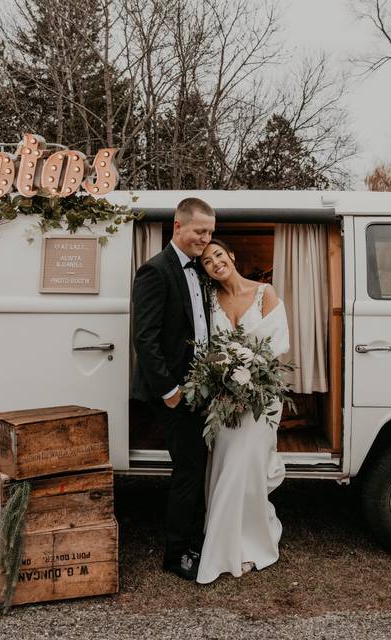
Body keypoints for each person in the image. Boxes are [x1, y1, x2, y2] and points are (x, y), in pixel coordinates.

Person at [131, 197, 216, 580]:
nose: (206, 238)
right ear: (177, 227)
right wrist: (170, 391)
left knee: (196, 467)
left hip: (199, 389)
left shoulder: (198, 271)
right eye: (200, 231)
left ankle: (194, 541)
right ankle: (176, 554)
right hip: (174, 393)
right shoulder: (155, 271)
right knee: (187, 470)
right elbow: (145, 339)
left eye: (211, 232)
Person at [195, 238, 289, 584]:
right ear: (205, 270)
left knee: (246, 469)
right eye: (207, 261)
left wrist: (250, 378)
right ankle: (223, 541)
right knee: (224, 467)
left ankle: (250, 544)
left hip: (261, 399)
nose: (215, 262)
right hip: (223, 399)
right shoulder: (209, 302)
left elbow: (276, 349)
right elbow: (206, 351)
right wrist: (221, 376)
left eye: (218, 254)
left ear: (231, 256)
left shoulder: (265, 292)